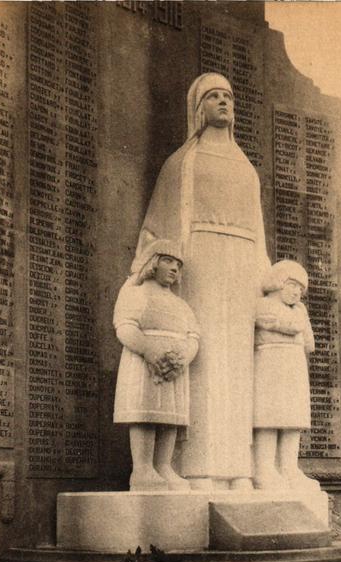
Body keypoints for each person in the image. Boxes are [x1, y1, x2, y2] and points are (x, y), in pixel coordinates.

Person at [131, 73, 270, 491]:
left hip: (242, 269)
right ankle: (199, 469)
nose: (223, 102)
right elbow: (158, 226)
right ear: (199, 108)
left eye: (228, 96)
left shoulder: (246, 168)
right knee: (204, 362)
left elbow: (259, 231)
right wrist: (152, 266)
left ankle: (238, 470)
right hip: (200, 268)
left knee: (239, 368)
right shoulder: (181, 163)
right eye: (213, 96)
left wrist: (263, 277)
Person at [113, 239, 200, 491]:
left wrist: (184, 356)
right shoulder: (135, 292)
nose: (174, 268)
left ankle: (163, 466)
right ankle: (142, 469)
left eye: (178, 265)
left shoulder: (180, 304)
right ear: (153, 263)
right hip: (145, 363)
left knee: (170, 418)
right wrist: (149, 350)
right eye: (168, 261)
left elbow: (193, 334)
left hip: (174, 368)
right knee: (146, 415)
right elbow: (125, 326)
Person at [252, 260, 316, 490]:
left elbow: (310, 343)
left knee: (293, 420)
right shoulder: (263, 304)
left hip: (294, 364)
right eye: (292, 285)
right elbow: (288, 325)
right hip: (270, 362)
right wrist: (297, 322)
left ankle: (289, 468)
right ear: (278, 283)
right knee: (269, 418)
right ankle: (264, 469)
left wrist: (299, 321)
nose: (297, 292)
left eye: (300, 288)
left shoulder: (300, 310)